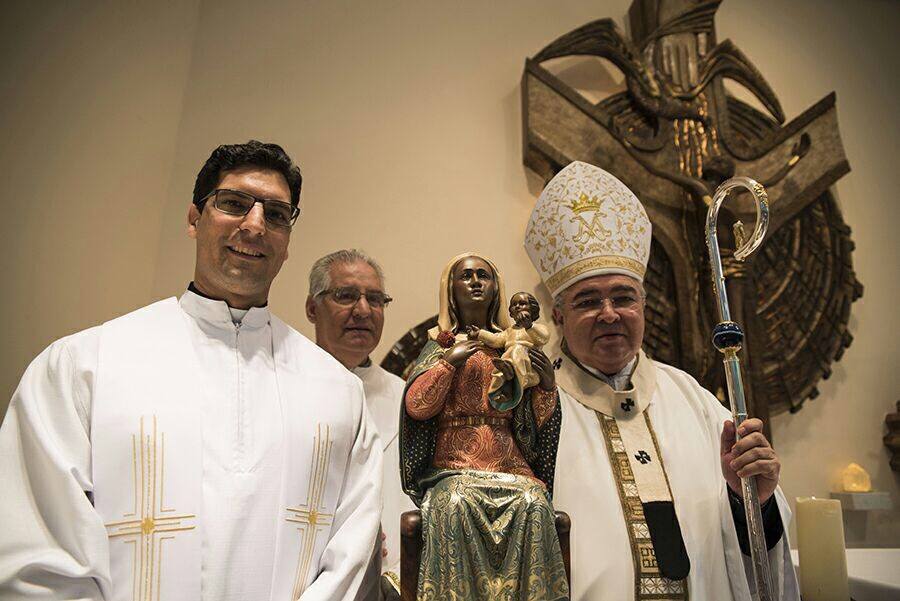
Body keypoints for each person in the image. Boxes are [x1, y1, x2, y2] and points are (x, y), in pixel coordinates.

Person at [0, 141, 382, 601]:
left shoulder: (338, 391)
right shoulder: (84, 365)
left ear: (287, 242)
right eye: (234, 204)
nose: (255, 225)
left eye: (277, 215)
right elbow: (39, 550)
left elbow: (354, 551)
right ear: (194, 219)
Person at [524, 161, 799, 601]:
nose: (610, 313)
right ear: (558, 315)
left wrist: (754, 499)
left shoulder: (696, 402)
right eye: (588, 300)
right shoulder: (532, 409)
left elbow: (752, 552)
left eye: (624, 297)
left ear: (644, 306)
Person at [400, 253, 569, 601]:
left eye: (484, 276)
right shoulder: (439, 345)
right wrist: (448, 365)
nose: (476, 282)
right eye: (466, 276)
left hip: (509, 461)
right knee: (454, 502)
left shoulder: (510, 343)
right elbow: (417, 407)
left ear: (496, 289)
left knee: (534, 501)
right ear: (451, 288)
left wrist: (548, 385)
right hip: (454, 464)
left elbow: (536, 421)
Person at [305, 248, 415, 595]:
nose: (363, 310)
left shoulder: (409, 400)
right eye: (346, 295)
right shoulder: (282, 385)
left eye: (376, 299)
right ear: (312, 308)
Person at [475, 291, 550, 405]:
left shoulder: (537, 327)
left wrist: (529, 326)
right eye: (514, 305)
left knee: (517, 351)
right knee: (500, 371)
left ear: (532, 308)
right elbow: (496, 340)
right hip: (509, 361)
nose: (518, 306)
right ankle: (502, 393)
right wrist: (479, 333)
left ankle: (509, 375)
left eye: (522, 303)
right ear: (511, 312)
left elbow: (543, 338)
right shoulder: (510, 331)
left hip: (528, 367)